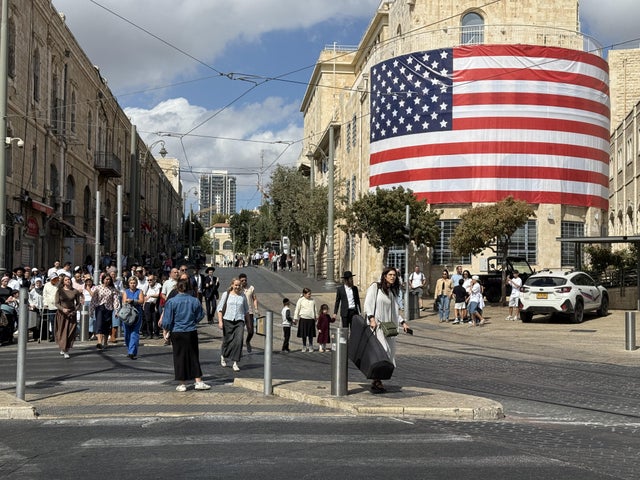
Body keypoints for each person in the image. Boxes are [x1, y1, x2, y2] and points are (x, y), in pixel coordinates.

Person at [364, 267, 411, 393]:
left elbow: (395, 311)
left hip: (389, 328)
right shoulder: (376, 288)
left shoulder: (392, 292)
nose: (392, 277)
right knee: (382, 352)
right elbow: (368, 304)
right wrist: (371, 318)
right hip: (377, 325)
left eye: (394, 275)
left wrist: (403, 322)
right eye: (390, 275)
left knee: (389, 353)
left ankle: (378, 380)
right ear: (384, 276)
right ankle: (376, 380)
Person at [161, 278, 211, 392]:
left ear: (176, 288)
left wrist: (166, 330)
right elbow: (201, 315)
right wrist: (193, 320)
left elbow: (167, 320)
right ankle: (198, 381)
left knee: (179, 357)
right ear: (188, 288)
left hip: (177, 331)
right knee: (193, 356)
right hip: (190, 331)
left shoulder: (171, 302)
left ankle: (182, 383)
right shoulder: (194, 301)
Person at [217, 278, 250, 372]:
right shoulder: (226, 294)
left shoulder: (243, 296)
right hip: (227, 319)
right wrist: (220, 321)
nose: (237, 287)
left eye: (239, 285)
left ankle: (235, 362)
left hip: (239, 320)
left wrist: (249, 324)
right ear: (232, 285)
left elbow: (246, 310)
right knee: (227, 340)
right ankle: (223, 355)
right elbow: (219, 309)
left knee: (239, 341)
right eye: (235, 285)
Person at [54, 274, 83, 359]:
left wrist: (75, 310)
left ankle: (66, 349)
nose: (68, 281)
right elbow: (56, 303)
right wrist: (63, 309)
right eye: (66, 280)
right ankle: (63, 348)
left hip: (71, 314)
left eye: (69, 279)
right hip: (62, 314)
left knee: (70, 332)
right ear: (63, 281)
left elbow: (78, 303)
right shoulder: (59, 291)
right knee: (62, 332)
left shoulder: (75, 291)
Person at [90, 274, 120, 350]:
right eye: (106, 279)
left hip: (109, 308)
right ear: (103, 279)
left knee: (107, 325)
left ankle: (105, 342)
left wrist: (116, 310)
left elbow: (115, 300)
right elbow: (94, 300)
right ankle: (99, 342)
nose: (108, 281)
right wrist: (91, 310)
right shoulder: (98, 288)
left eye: (109, 279)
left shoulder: (113, 289)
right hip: (100, 307)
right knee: (99, 324)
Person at [120, 276, 144, 359]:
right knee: (127, 333)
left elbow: (141, 301)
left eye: (134, 283)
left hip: (137, 314)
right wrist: (128, 301)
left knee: (134, 332)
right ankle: (130, 348)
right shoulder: (125, 292)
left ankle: (131, 352)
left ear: (136, 283)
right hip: (127, 314)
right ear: (129, 284)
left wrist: (133, 301)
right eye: (131, 283)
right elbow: (124, 301)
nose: (133, 284)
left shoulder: (139, 291)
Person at [238, 273, 259, 353]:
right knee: (240, 332)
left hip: (249, 312)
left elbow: (255, 299)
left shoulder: (251, 288)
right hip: (240, 313)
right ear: (239, 280)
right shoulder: (237, 288)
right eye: (242, 280)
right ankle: (239, 350)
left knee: (251, 331)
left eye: (245, 280)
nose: (244, 282)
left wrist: (256, 308)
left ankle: (247, 341)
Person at [293, 287, 317, 352]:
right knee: (304, 334)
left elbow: (315, 309)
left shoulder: (313, 300)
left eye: (310, 294)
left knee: (310, 334)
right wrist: (295, 318)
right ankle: (304, 346)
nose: (310, 295)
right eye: (308, 294)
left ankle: (311, 345)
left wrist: (316, 316)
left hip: (311, 319)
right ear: (304, 294)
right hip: (303, 319)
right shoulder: (300, 300)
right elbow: (297, 309)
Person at [42, 273, 60, 342]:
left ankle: (59, 335)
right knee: (52, 321)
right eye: (54, 279)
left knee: (59, 321)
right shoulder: (46, 285)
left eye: (56, 279)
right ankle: (53, 335)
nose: (55, 280)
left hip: (58, 306)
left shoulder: (59, 285)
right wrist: (45, 303)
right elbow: (45, 295)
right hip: (50, 306)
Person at [143, 273, 161, 338]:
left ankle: (156, 333)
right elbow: (145, 296)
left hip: (154, 303)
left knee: (155, 319)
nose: (149, 281)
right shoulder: (147, 286)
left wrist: (150, 295)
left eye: (151, 280)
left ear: (154, 280)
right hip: (147, 303)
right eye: (148, 280)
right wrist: (144, 304)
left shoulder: (158, 285)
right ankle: (149, 334)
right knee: (148, 319)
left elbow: (158, 295)